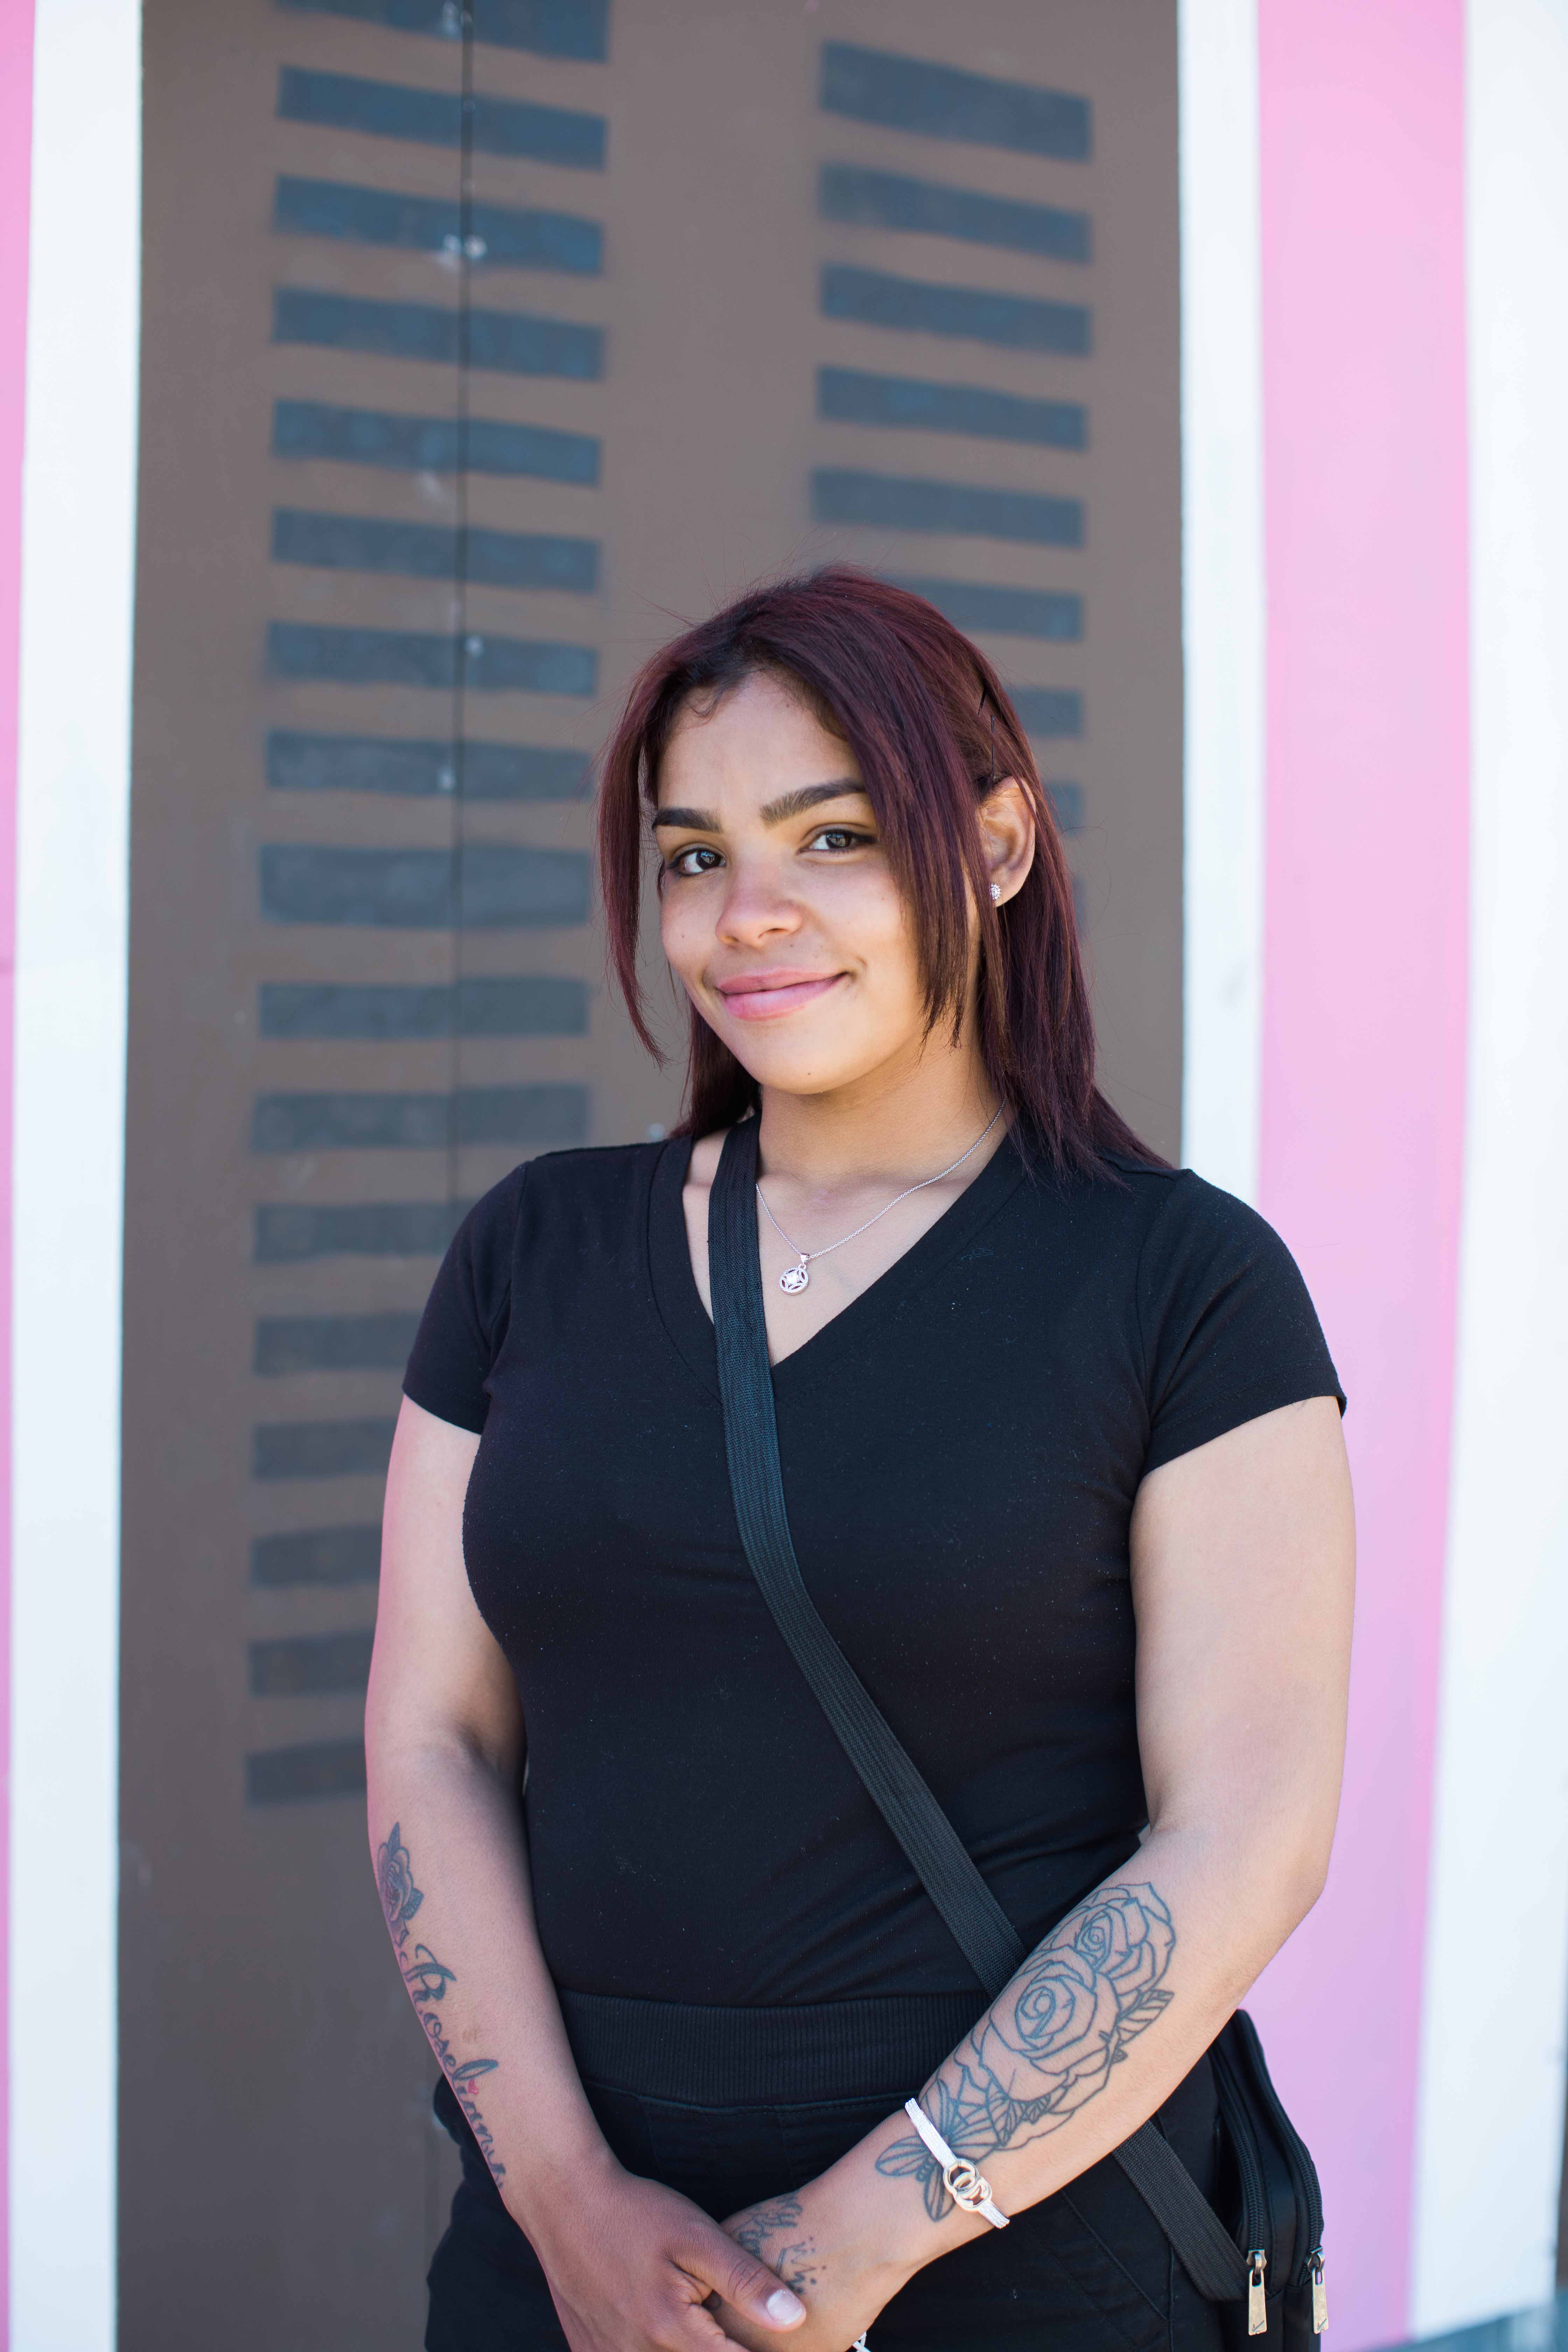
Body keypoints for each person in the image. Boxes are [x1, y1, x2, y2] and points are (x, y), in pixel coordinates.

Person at [366, 567, 1353, 2352]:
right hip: (566, 2270)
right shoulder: (534, 1254)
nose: (748, 915)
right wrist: (563, 2202)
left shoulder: (1181, 1285)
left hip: (1022, 2263)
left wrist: (857, 2241)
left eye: (831, 840)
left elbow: (1248, 1830)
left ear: (992, 848)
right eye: (691, 858)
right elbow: (431, 1733)